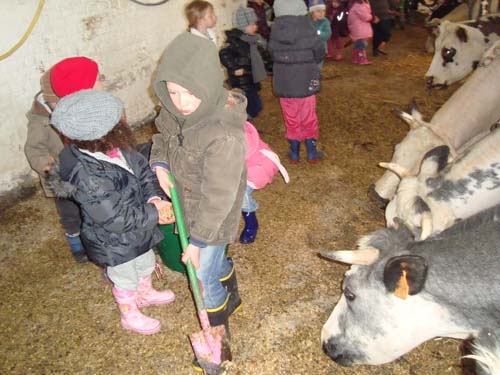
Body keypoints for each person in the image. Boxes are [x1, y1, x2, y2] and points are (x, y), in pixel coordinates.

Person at [49, 89, 176, 335]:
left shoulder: (117, 149)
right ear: (103, 131)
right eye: (118, 119)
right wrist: (153, 213)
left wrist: (152, 197)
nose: (124, 119)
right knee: (125, 276)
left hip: (138, 224)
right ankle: (128, 311)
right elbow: (114, 218)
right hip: (114, 240)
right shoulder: (87, 175)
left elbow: (143, 171)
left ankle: (145, 292)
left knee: (145, 261)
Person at [150, 32, 246, 342]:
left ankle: (218, 331)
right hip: (188, 209)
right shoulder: (175, 111)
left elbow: (219, 197)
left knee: (202, 277)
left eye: (191, 93)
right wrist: (160, 163)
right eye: (174, 92)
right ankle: (231, 289)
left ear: (208, 83)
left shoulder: (223, 136)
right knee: (214, 265)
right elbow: (162, 136)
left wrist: (198, 241)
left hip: (211, 220)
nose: (182, 103)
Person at [24, 56, 105, 263]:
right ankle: (76, 243)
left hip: (83, 171)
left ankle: (94, 239)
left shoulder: (77, 111)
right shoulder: (40, 123)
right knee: (70, 214)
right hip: (61, 178)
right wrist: (49, 167)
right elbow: (33, 149)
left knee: (92, 207)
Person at [269, 0, 325, 164]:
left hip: (285, 82)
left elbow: (271, 52)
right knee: (308, 116)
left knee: (291, 117)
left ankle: (294, 153)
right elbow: (318, 51)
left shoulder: (276, 28)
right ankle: (311, 152)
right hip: (306, 79)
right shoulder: (307, 26)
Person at [240, 122, 289, 244]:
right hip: (237, 163)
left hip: (256, 164)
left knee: (242, 194)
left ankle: (251, 224)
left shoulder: (239, 133)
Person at [219, 6, 268, 120]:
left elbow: (259, 54)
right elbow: (223, 54)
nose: (256, 26)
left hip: (251, 76)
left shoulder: (251, 39)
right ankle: (245, 120)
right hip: (241, 81)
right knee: (251, 104)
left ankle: (248, 116)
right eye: (253, 24)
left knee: (255, 103)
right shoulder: (234, 41)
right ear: (244, 26)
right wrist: (235, 67)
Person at [348, 0, 374, 65]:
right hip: (359, 29)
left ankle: (355, 58)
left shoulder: (358, 5)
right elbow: (366, 16)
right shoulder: (358, 7)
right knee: (361, 45)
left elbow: (367, 11)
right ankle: (361, 59)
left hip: (359, 29)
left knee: (358, 45)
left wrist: (367, 4)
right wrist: (372, 17)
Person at [309, 0, 332, 69]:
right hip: (308, 50)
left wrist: (316, 35)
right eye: (318, 11)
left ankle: (315, 78)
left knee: (317, 67)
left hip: (320, 50)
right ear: (312, 12)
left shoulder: (325, 22)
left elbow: (327, 34)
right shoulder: (307, 22)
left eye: (323, 11)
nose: (322, 13)